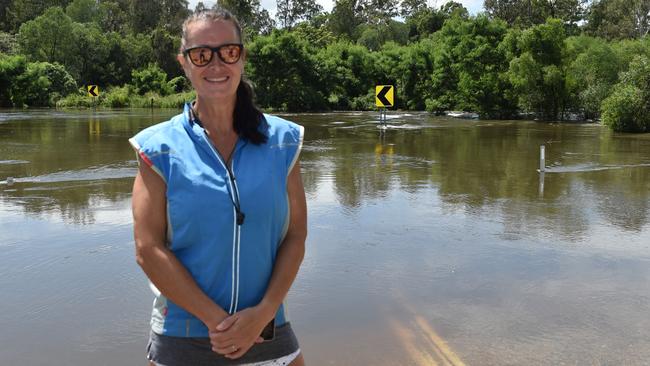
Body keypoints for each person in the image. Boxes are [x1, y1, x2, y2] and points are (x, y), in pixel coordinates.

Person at [129, 8, 307, 366]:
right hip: (184, 337)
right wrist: (221, 324)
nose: (215, 64)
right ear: (184, 63)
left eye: (228, 51)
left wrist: (263, 313)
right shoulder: (158, 148)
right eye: (201, 54)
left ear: (242, 56)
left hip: (267, 329)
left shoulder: (283, 141)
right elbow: (147, 248)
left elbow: (295, 237)